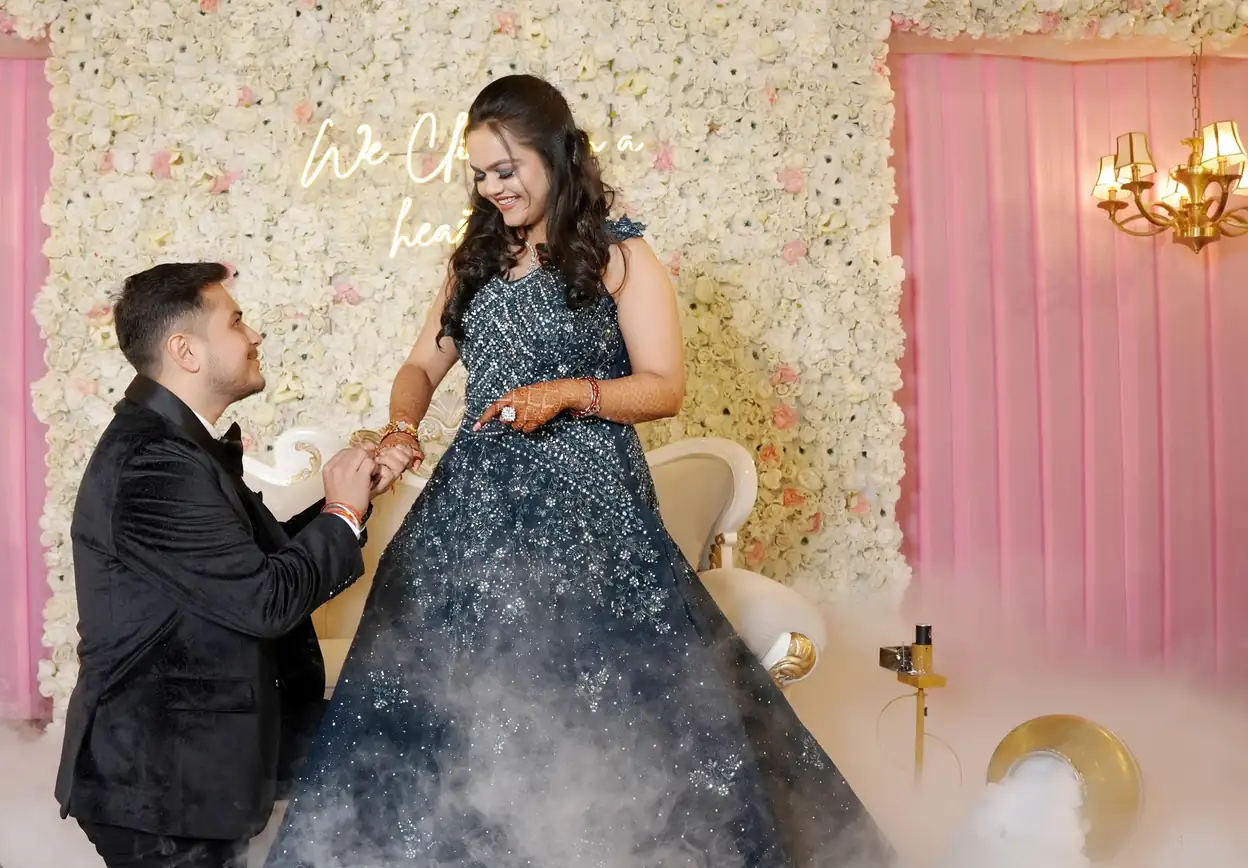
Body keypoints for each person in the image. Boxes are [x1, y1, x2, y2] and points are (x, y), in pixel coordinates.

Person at [264, 76, 895, 867]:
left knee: (608, 685)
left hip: (589, 502)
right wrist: (400, 428)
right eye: (480, 174)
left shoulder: (618, 255)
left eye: (506, 169)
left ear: (558, 156)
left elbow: (664, 386)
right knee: (433, 674)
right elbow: (421, 366)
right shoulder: (475, 261)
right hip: (473, 506)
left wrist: (566, 393)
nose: (492, 189)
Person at [54, 262, 414, 868]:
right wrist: (342, 514)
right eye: (237, 321)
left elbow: (248, 565)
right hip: (158, 785)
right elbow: (263, 598)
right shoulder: (153, 460)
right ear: (185, 351)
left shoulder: (175, 444)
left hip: (186, 777)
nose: (255, 335)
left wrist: (354, 501)